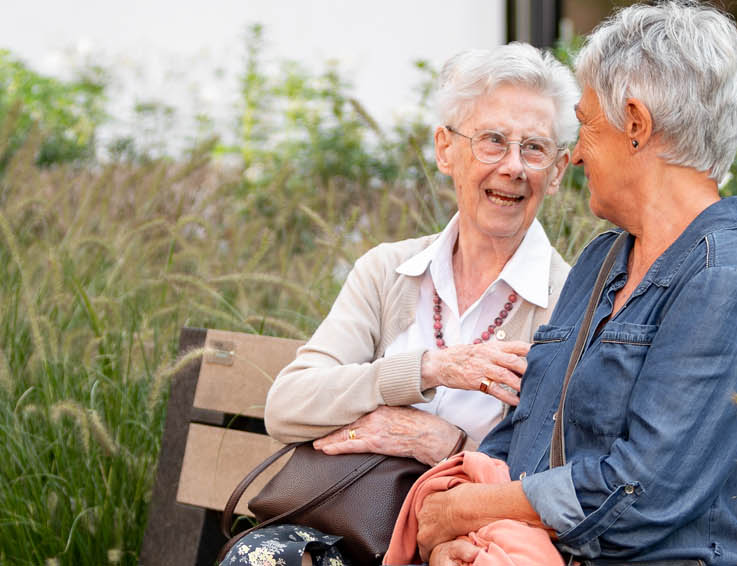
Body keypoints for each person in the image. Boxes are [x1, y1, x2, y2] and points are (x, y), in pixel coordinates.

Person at [413, 2, 737, 565]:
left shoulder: (727, 279)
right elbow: (529, 426)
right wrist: (459, 536)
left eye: (586, 123)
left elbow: (638, 495)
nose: (576, 153)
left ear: (636, 125)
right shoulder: (603, 260)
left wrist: (469, 511)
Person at [221, 43, 579, 565]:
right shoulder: (388, 271)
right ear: (445, 149)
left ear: (560, 168)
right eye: (492, 141)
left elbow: (563, 480)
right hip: (345, 529)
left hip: (463, 548)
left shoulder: (570, 304)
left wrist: (448, 445)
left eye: (535, 149)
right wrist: (427, 369)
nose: (513, 167)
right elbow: (288, 405)